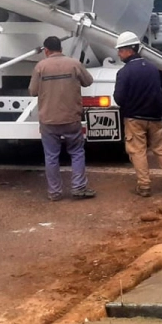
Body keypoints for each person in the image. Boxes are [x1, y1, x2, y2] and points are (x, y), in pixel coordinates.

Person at [113, 31, 162, 197]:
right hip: (154, 116)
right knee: (161, 148)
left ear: (130, 50)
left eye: (121, 50)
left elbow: (119, 98)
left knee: (137, 151)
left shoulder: (124, 73)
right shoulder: (154, 69)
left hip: (134, 118)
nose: (119, 53)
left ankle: (144, 186)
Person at [29, 36, 97, 201]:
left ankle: (54, 193)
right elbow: (88, 81)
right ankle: (79, 188)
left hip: (48, 120)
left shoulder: (41, 67)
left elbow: (32, 91)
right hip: (71, 118)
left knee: (51, 156)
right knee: (77, 152)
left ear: (46, 50)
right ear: (61, 48)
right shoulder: (73, 63)